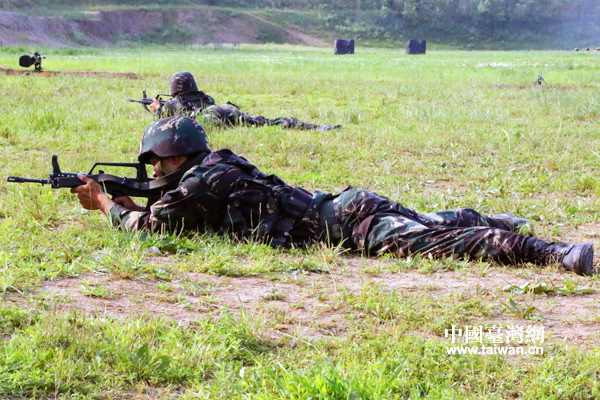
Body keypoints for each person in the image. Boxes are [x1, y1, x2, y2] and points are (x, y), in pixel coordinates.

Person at [71, 116, 595, 276]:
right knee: (429, 224)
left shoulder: (199, 183)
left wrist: (105, 204)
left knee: (440, 245)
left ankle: (554, 252)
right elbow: (170, 202)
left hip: (344, 226)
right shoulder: (216, 163)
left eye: (158, 161)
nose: (155, 170)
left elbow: (152, 229)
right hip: (341, 205)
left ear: (174, 155)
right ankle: (495, 217)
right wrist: (129, 192)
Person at [150, 71, 341, 132]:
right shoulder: (205, 97)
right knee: (265, 122)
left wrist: (157, 108)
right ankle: (315, 127)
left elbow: (162, 121)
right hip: (225, 108)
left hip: (209, 118)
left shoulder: (173, 104)